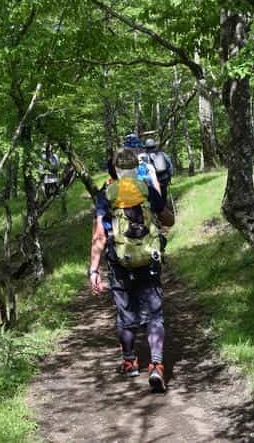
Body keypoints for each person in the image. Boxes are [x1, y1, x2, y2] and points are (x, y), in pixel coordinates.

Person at [88, 148, 173, 392]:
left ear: (114, 170)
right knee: (155, 316)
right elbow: (168, 221)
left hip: (120, 264)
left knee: (125, 315)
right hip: (149, 260)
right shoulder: (146, 188)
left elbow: (99, 236)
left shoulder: (107, 194)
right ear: (137, 166)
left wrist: (94, 270)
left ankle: (130, 361)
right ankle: (156, 366)